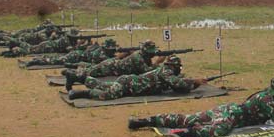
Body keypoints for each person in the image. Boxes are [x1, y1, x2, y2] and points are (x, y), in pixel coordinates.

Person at [127, 77, 274, 137]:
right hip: (231, 115)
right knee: (217, 130)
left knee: (188, 118)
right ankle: (182, 134)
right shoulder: (265, 99)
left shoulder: (269, 98)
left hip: (228, 108)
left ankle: (144, 121)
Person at [67, 60, 202, 101]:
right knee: (108, 95)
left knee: (101, 84)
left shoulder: (165, 71)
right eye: (179, 67)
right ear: (174, 66)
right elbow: (178, 84)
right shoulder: (166, 71)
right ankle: (81, 93)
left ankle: (79, 77)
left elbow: (178, 87)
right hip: (129, 85)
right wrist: (195, 82)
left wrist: (193, 84)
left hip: (128, 83)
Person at [61, 40, 162, 90]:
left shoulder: (144, 57)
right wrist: (158, 63)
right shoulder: (138, 57)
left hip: (113, 67)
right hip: (111, 67)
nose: (153, 53)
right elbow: (146, 71)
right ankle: (72, 75)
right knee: (89, 73)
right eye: (151, 51)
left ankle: (73, 71)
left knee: (91, 69)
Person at [24, 38, 118, 67]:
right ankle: (37, 61)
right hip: (75, 56)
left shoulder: (101, 50)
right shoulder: (100, 53)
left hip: (77, 54)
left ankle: (39, 59)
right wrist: (118, 57)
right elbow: (105, 62)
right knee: (57, 61)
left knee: (57, 59)